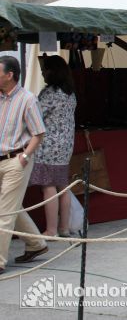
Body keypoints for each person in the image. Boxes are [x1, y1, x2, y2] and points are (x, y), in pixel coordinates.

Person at [0, 56, 47, 275]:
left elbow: (39, 133)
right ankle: (36, 244)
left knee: (4, 213)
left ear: (9, 75)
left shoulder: (28, 99)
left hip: (17, 160)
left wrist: (25, 157)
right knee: (11, 207)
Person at [29, 55, 77, 237]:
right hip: (66, 145)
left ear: (52, 72)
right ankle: (64, 228)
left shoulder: (49, 93)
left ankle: (51, 229)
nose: (42, 73)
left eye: (45, 70)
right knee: (63, 186)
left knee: (48, 186)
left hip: (49, 145)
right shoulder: (70, 93)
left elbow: (35, 115)